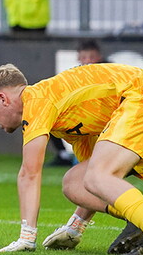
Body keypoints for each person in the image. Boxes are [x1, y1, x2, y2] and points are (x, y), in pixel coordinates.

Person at [0, 62, 143, 255]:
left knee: (97, 175)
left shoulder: (37, 100)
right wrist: (74, 228)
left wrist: (26, 238)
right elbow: (93, 182)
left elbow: (30, 173)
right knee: (74, 182)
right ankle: (142, 218)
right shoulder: (60, 112)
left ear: (3, 99)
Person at [46, 39, 108, 167]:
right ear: (79, 58)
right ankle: (63, 155)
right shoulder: (75, 75)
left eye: (92, 57)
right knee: (50, 115)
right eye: (85, 57)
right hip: (86, 115)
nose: (89, 60)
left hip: (106, 115)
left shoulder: (110, 71)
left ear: (99, 57)